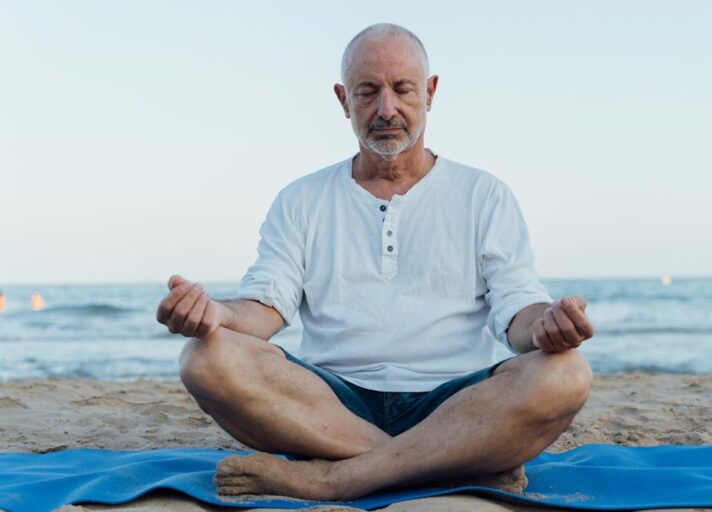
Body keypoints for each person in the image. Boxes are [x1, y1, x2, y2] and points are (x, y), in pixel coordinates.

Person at [156, 23, 595, 501]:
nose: (387, 109)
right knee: (204, 358)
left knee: (566, 372)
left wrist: (545, 327)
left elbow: (517, 310)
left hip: (456, 403)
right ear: (344, 100)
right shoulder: (302, 199)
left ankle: (339, 478)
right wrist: (215, 314)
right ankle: (445, 465)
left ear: (429, 92)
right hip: (328, 407)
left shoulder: (483, 194)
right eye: (368, 92)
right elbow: (266, 306)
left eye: (402, 89)